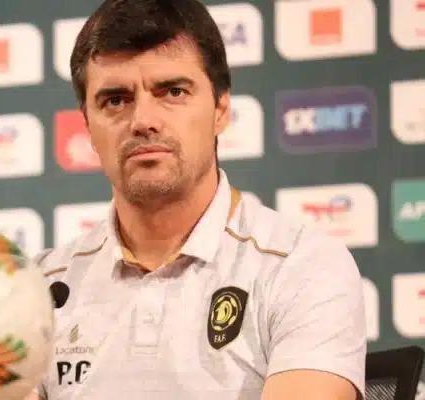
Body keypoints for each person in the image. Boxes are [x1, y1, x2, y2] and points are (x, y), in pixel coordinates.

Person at [26, 0, 367, 398]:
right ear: (87, 125)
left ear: (221, 109)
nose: (143, 121)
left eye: (173, 91)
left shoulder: (301, 265)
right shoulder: (38, 288)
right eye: (116, 100)